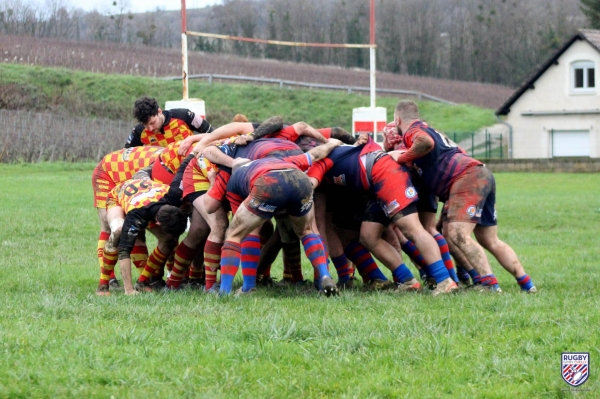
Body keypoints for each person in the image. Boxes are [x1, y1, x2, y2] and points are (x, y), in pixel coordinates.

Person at [391, 100, 536, 293]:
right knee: (488, 240)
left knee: (458, 234)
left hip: (466, 180)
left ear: (398, 119)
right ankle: (526, 284)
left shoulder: (412, 132)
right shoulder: (433, 130)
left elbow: (425, 143)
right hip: (479, 173)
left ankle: (490, 285)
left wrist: (401, 157)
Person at [306, 135, 458, 296]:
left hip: (387, 175)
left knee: (412, 230)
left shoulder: (321, 161)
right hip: (376, 185)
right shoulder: (339, 152)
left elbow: (309, 184)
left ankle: (445, 280)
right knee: (369, 236)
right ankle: (407, 281)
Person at [207, 139, 343, 296]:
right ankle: (324, 274)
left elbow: (247, 231)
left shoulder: (234, 178)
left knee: (235, 234)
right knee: (307, 231)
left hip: (267, 183)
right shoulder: (282, 159)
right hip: (300, 181)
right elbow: (315, 154)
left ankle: (231, 290)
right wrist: (332, 144)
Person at [96, 157, 192, 295]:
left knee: (169, 239)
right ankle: (103, 285)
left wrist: (192, 155)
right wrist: (128, 290)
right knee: (117, 230)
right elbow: (124, 251)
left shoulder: (173, 195)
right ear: (157, 223)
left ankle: (143, 282)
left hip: (147, 195)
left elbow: (181, 172)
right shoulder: (136, 216)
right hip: (117, 196)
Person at [126, 96, 214, 155]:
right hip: (159, 171)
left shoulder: (185, 115)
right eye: (145, 125)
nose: (150, 128)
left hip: (189, 162)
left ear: (159, 112)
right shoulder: (138, 131)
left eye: (152, 123)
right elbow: (125, 154)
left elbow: (212, 134)